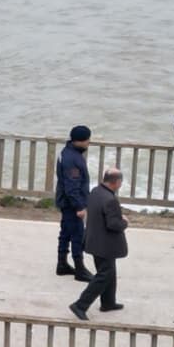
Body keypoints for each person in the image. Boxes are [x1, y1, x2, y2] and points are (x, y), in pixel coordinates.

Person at [68, 167, 128, 320]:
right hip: (105, 244)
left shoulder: (95, 192)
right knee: (104, 274)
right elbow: (113, 224)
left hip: (93, 240)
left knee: (109, 272)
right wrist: (124, 222)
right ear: (117, 182)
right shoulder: (111, 200)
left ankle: (108, 302)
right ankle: (80, 304)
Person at [54, 125, 94, 282]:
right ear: (82, 140)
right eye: (88, 139)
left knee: (65, 232)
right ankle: (80, 269)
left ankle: (62, 264)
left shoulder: (67, 152)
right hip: (71, 203)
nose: (89, 142)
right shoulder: (73, 159)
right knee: (77, 234)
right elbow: (72, 185)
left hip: (65, 201)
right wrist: (79, 206)